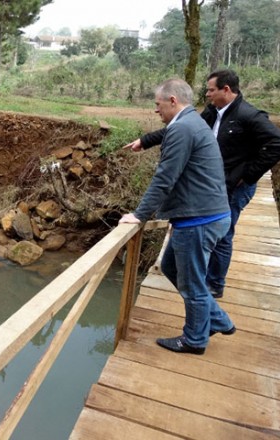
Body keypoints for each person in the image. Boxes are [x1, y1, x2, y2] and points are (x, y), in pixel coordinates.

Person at [125, 69, 280, 298]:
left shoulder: (249, 115)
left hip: (234, 186)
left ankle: (214, 285)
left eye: (211, 90)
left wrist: (248, 174)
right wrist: (146, 140)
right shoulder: (213, 112)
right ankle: (202, 289)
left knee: (224, 235)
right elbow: (181, 129)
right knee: (215, 232)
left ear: (226, 90)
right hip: (211, 182)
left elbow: (279, 144)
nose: (208, 94)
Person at [119, 78, 234, 354]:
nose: (156, 111)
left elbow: (164, 178)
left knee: (192, 284)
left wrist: (140, 215)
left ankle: (194, 340)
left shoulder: (182, 128)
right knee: (170, 267)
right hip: (205, 215)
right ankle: (217, 319)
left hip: (199, 220)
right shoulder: (191, 123)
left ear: (173, 101)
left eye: (158, 105)